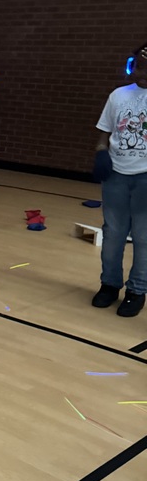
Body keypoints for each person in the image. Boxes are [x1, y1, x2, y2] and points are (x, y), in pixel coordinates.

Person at [91, 43, 147, 318]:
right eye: (139, 65)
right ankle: (110, 284)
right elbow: (105, 131)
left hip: (145, 178)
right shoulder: (118, 95)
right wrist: (101, 152)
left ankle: (137, 290)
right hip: (116, 174)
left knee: (143, 236)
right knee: (113, 234)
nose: (142, 71)